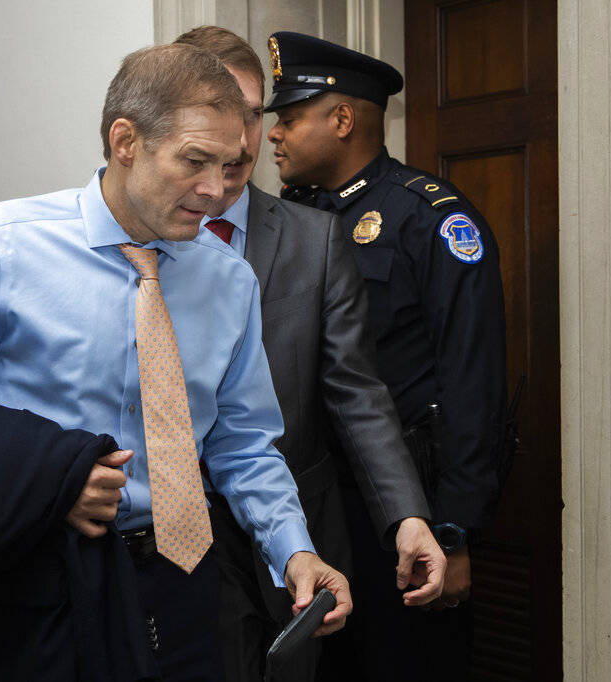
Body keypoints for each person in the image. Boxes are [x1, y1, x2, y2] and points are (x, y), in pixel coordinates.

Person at [0, 43, 351, 682]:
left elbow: (242, 443)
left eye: (228, 165)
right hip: (34, 580)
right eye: (195, 162)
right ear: (125, 141)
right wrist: (49, 478)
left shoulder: (229, 281)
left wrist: (295, 552)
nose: (216, 190)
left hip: (183, 585)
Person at [173, 26, 446, 682]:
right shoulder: (134, 243)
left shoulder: (315, 239)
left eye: (250, 114)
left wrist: (407, 516)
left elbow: (357, 393)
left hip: (294, 530)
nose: (240, 140)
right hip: (171, 541)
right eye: (216, 116)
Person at [264, 31, 509, 681]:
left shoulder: (430, 222)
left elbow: (472, 389)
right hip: (316, 508)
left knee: (410, 664)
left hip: (409, 511)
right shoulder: (291, 222)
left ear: (341, 119)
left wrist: (454, 534)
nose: (272, 135)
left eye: (289, 118)